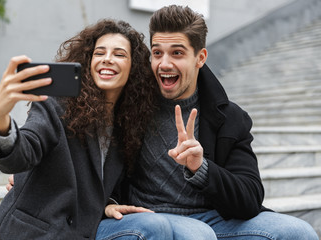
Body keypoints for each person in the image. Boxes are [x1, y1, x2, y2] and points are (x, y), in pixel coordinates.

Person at [96, 5, 319, 240]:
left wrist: (200, 168)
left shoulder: (229, 117)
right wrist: (108, 202)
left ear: (200, 57)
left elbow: (250, 198)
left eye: (177, 53)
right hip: (149, 215)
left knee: (299, 232)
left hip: (213, 217)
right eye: (157, 53)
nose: (164, 64)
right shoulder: (131, 103)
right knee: (197, 235)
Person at [0, 19, 163, 240]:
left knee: (157, 226)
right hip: (33, 232)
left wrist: (108, 204)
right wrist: (0, 118)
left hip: (81, 232)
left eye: (119, 54)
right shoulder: (57, 104)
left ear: (133, 67)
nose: (107, 59)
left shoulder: (127, 124)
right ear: (88, 61)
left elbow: (103, 184)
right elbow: (22, 154)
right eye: (99, 53)